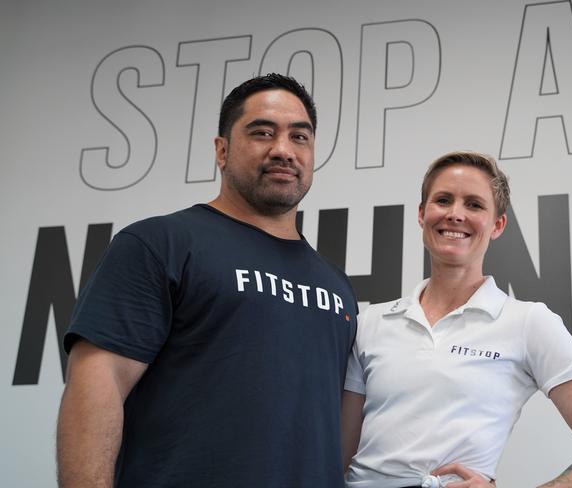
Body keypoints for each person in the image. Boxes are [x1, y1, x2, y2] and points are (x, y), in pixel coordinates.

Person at [57, 73, 358, 488]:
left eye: (300, 137)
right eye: (262, 132)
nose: (283, 150)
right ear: (222, 150)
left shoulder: (336, 286)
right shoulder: (160, 243)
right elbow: (96, 385)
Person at [341, 151, 572, 488]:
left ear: (497, 225)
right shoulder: (371, 322)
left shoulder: (527, 322)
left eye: (474, 205)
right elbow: (337, 455)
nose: (455, 214)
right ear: (422, 213)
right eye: (443, 200)